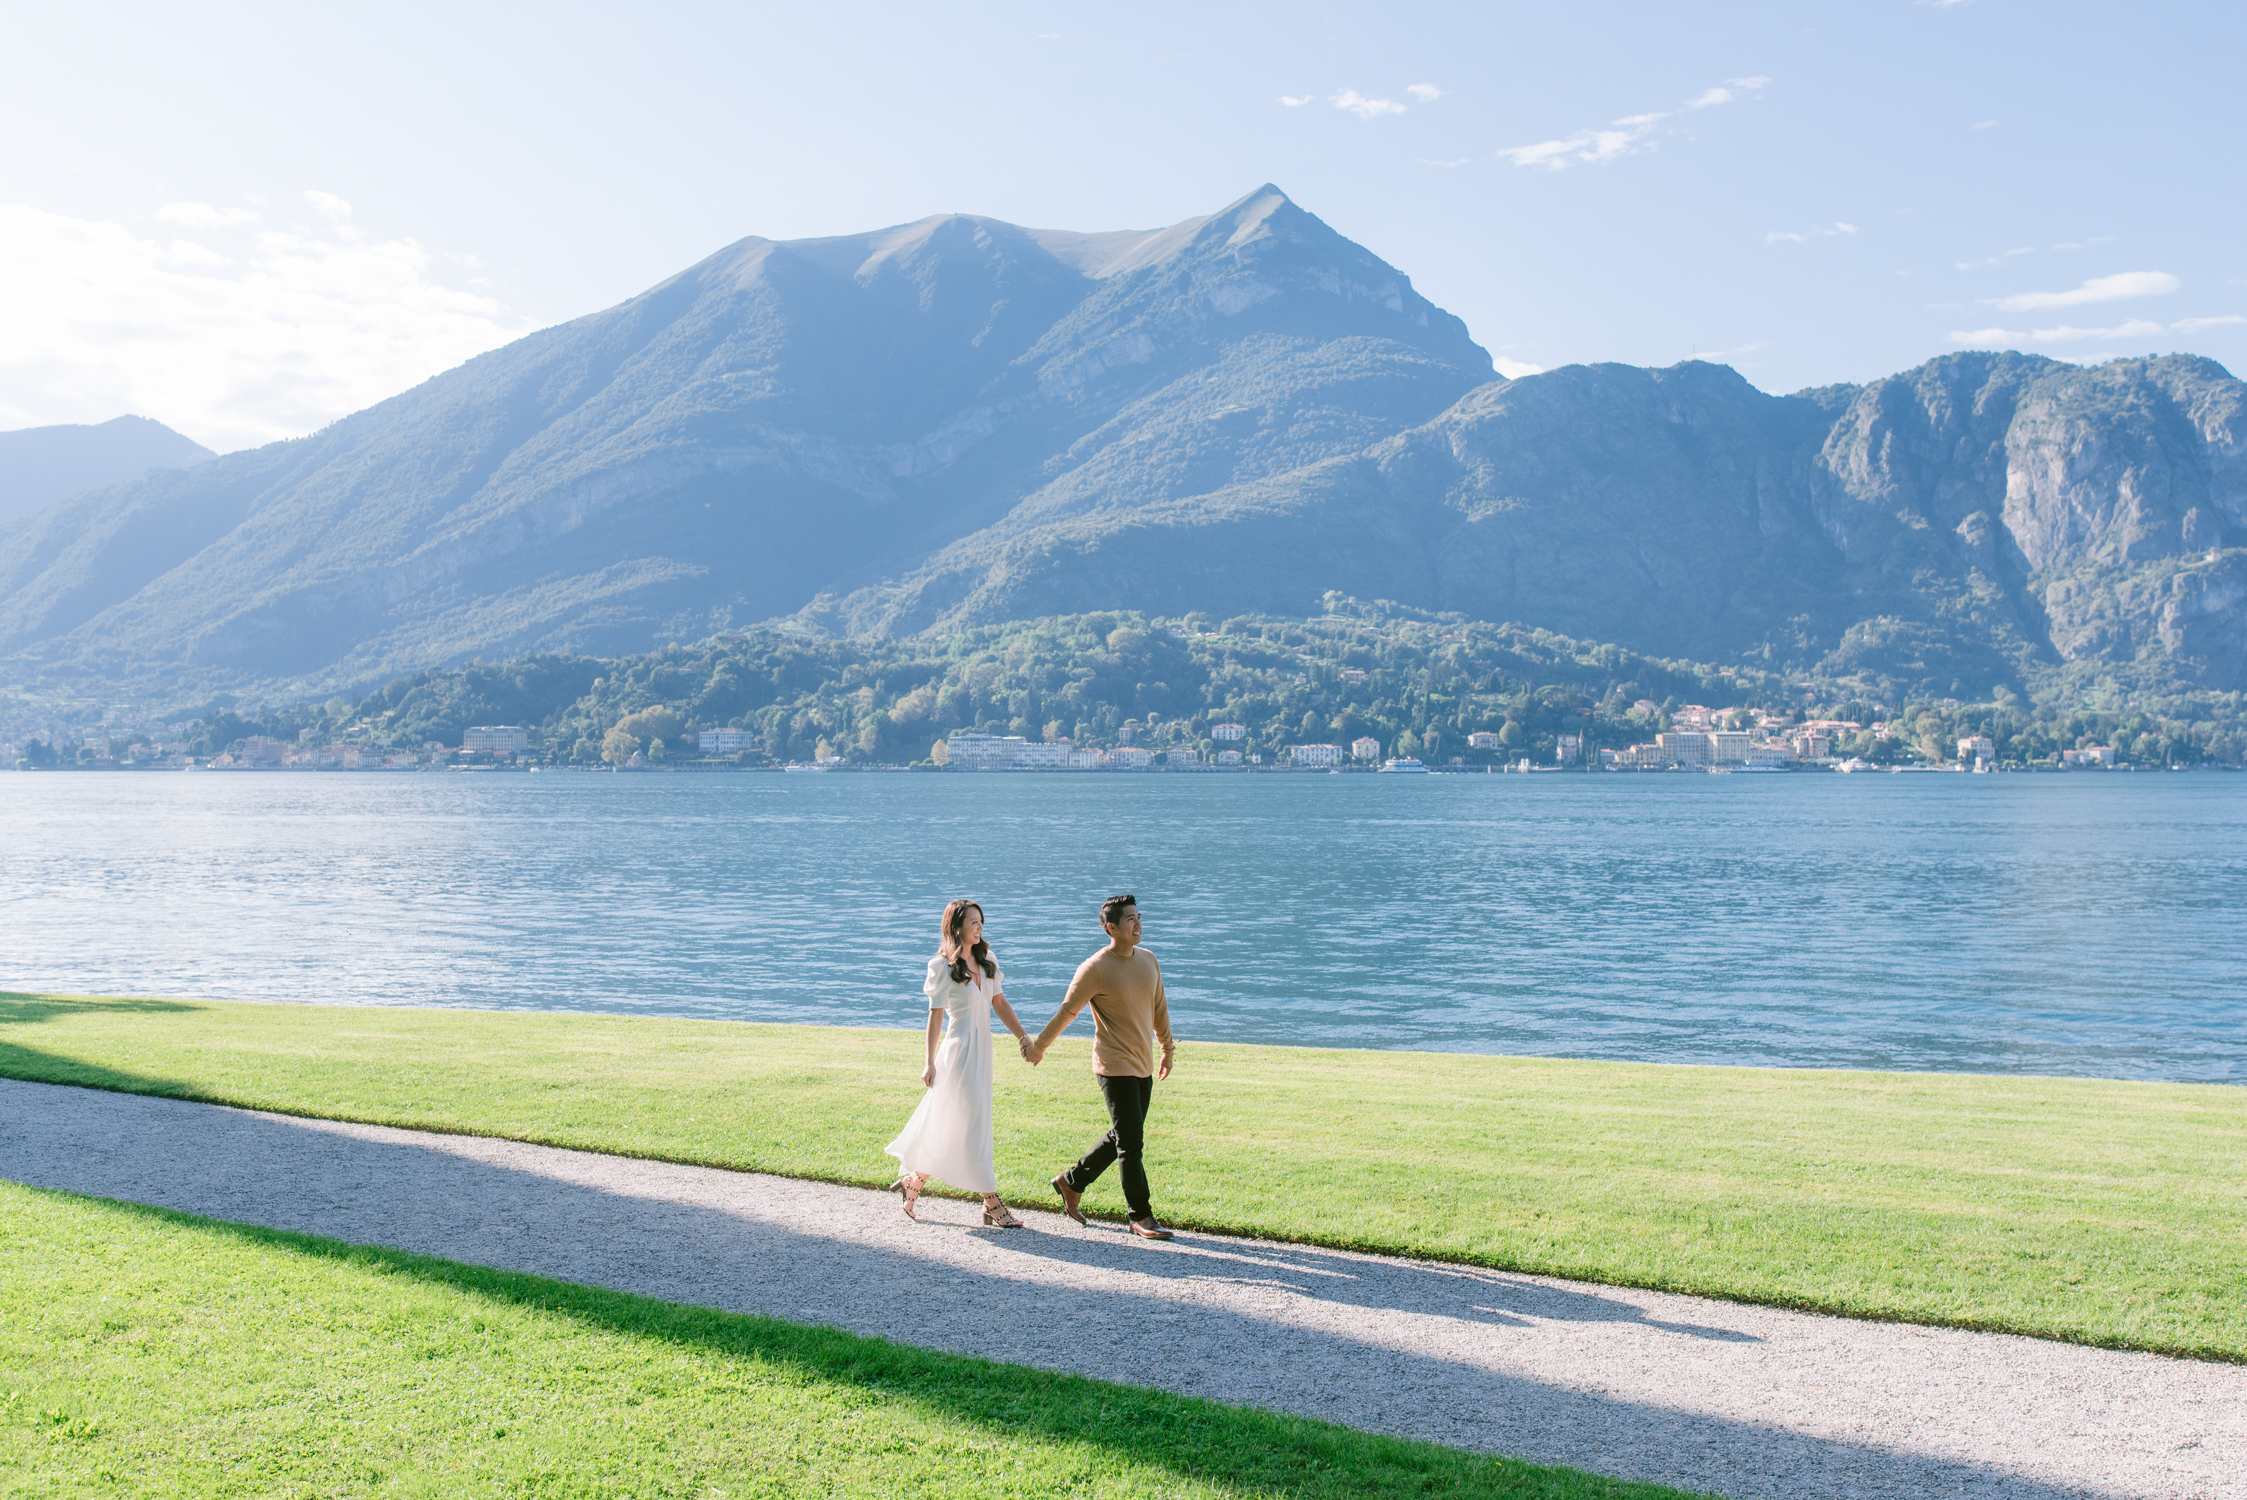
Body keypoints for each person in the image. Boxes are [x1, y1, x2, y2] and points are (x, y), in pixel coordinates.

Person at [1026, 893, 1176, 1240]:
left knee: (1125, 1134)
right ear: (1112, 928)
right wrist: (1038, 1047)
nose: (1138, 924)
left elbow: (1159, 1008)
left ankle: (1071, 1181)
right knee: (1131, 1143)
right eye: (1130, 920)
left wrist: (1167, 1049)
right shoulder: (1094, 968)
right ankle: (1140, 1216)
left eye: (1139, 917)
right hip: (1113, 1065)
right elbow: (1067, 1012)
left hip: (1142, 1063)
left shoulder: (1149, 960)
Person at [886, 899, 1038, 1228]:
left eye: (981, 921)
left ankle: (915, 1182)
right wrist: (929, 1062)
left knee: (958, 1123)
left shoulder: (988, 960)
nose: (980, 927)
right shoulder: (941, 966)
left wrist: (1023, 1038)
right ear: (956, 927)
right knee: (973, 1126)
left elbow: (999, 1002)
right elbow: (935, 1017)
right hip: (958, 1053)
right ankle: (991, 1201)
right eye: (973, 922)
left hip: (983, 1052)